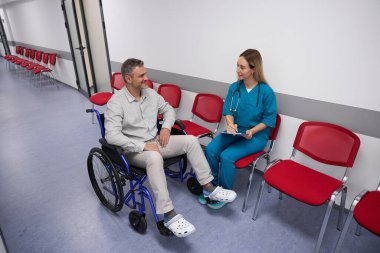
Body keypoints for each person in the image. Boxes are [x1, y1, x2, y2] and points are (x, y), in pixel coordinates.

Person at [104, 58, 237, 238]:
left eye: (145, 73)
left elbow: (169, 110)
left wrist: (166, 128)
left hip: (156, 141)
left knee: (190, 140)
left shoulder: (150, 93)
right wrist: (142, 146)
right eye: (141, 75)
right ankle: (168, 214)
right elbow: (111, 135)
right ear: (128, 78)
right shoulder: (116, 102)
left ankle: (208, 187)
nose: (146, 78)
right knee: (154, 157)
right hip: (134, 150)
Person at [205, 49, 277, 191]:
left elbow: (269, 119)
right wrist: (230, 124)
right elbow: (228, 111)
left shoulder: (266, 92)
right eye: (237, 65)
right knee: (211, 149)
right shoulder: (235, 87)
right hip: (236, 132)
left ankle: (225, 192)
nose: (238, 70)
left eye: (242, 67)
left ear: (253, 69)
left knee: (227, 157)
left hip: (255, 136)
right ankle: (211, 185)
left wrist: (252, 131)